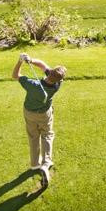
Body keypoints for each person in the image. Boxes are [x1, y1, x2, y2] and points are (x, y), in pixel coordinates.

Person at [12, 53, 66, 188]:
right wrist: (30, 61)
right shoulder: (57, 85)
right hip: (44, 114)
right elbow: (42, 65)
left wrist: (20, 62)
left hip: (29, 113)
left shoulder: (32, 84)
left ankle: (35, 163)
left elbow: (15, 75)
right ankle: (46, 163)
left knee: (33, 136)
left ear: (50, 73)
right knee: (47, 135)